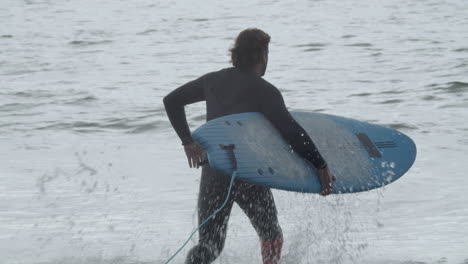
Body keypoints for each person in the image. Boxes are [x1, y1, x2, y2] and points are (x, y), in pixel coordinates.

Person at [163, 28, 335, 264]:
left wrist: (188, 142)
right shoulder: (265, 91)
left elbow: (171, 101)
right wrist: (320, 164)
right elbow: (291, 132)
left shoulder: (212, 81)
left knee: (210, 246)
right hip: (249, 173)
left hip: (216, 170)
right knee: (271, 234)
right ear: (262, 55)